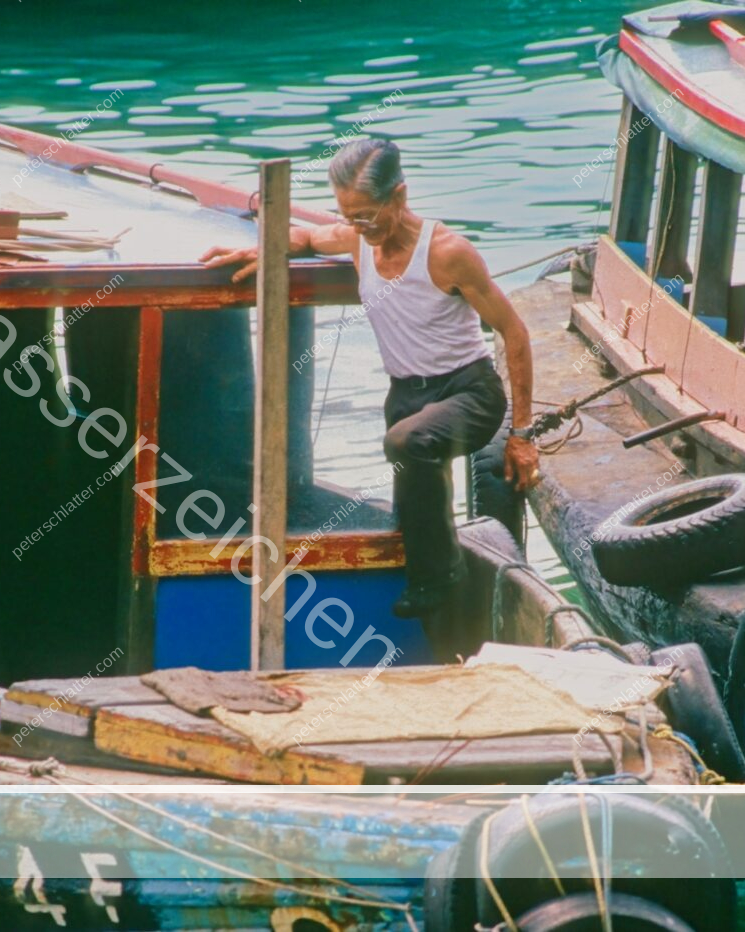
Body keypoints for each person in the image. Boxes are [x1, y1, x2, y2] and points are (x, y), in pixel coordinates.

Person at [200, 137, 540, 618]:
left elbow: (514, 332)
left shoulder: (448, 252)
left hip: (468, 391)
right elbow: (307, 239)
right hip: (405, 395)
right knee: (409, 510)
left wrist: (522, 433)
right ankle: (437, 594)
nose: (358, 226)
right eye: (348, 215)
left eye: (367, 215)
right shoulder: (358, 236)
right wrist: (264, 250)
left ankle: (442, 580)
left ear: (398, 198)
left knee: (406, 443)